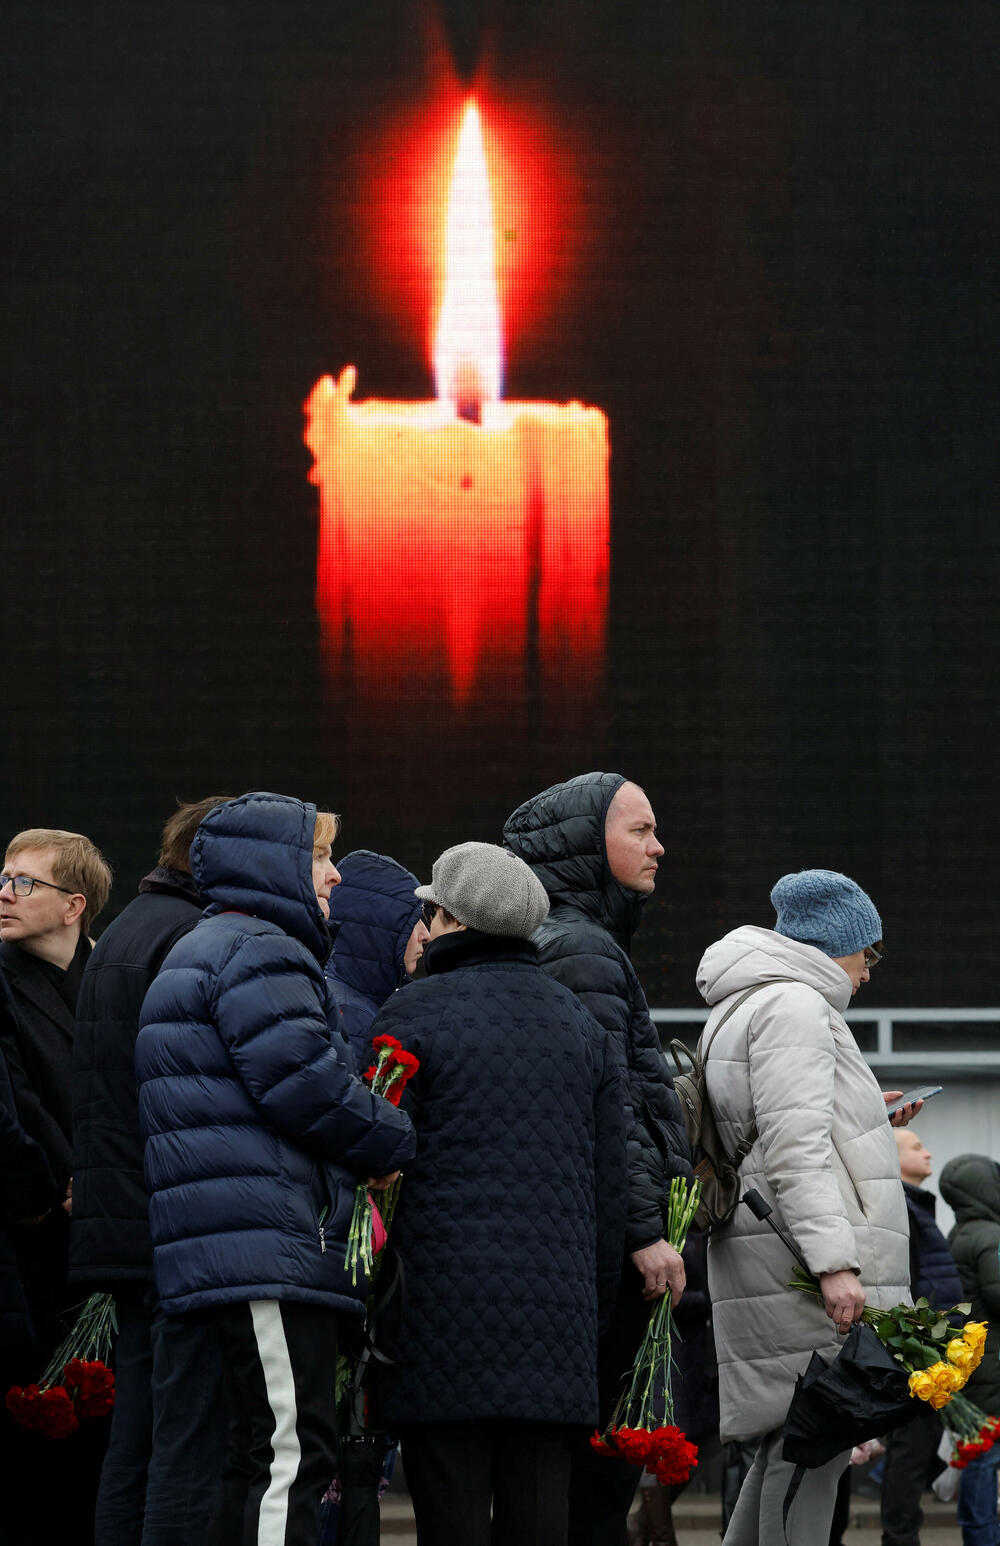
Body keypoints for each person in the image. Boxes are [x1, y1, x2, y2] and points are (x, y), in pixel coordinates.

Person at [135, 791, 415, 1546]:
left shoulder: (211, 945)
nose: (334, 878)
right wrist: (392, 1138)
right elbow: (308, 1086)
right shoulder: (261, 949)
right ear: (273, 865)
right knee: (289, 1455)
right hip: (265, 1251)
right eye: (319, 857)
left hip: (227, 1249)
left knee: (244, 1457)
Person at [368, 841, 628, 1546]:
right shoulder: (582, 1027)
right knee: (542, 1521)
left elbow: (375, 1165)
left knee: (450, 1521)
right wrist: (592, 1312)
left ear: (452, 919)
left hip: (437, 1321)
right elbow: (612, 1188)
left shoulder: (408, 1016)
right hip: (556, 1325)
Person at [696, 869, 915, 1546]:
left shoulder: (748, 1002)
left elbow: (775, 1133)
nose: (868, 972)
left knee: (786, 1454)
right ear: (832, 944)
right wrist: (834, 1263)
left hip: (766, 1256)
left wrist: (864, 1119)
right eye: (867, 954)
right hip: (797, 1269)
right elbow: (794, 1149)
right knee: (809, 1455)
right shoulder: (795, 1006)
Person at [503, 772, 693, 1546]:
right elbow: (608, 1107)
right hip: (607, 1257)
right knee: (594, 1483)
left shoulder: (574, 938)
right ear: (587, 843)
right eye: (640, 831)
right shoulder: (580, 948)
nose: (658, 846)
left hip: (587, 1248)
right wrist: (645, 1230)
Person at [69, 795, 231, 1546]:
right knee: (182, 1442)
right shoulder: (191, 936)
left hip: (130, 1218)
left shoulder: (131, 929)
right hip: (175, 1224)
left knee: (135, 1439)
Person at [0, 826, 114, 1546]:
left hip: (97, 1240)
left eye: (23, 883)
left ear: (74, 905)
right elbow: (15, 1099)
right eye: (3, 879)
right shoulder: (3, 982)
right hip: (31, 1234)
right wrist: (57, 1185)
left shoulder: (109, 980)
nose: (4, 894)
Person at [879, 1129, 964, 1546]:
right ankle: (899, 1539)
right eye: (915, 1147)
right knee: (909, 1453)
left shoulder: (917, 1208)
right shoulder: (899, 1210)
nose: (928, 1152)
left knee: (918, 1450)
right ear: (890, 1160)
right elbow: (907, 1284)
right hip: (915, 1354)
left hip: (930, 1351)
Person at [938, 1154, 1000, 1546]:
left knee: (977, 1450)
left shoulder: (958, 1233)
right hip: (993, 1362)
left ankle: (977, 1533)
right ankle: (984, 1538)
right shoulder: (990, 1236)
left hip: (972, 1359)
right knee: (985, 1453)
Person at [324, 849, 429, 1062]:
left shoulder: (355, 1002)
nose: (425, 934)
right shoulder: (351, 1015)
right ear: (379, 929)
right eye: (412, 921)